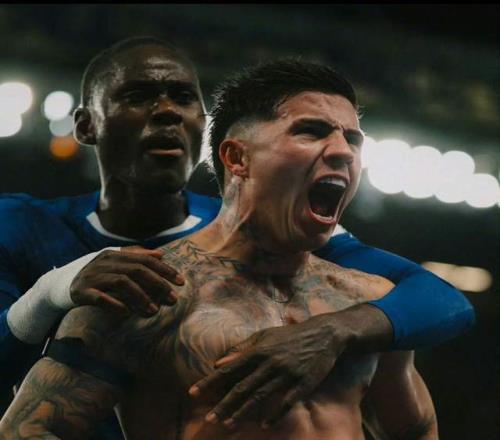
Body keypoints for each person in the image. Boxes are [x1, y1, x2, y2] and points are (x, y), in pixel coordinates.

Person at [0, 37, 472, 425]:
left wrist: (335, 331)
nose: (167, 111)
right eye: (139, 96)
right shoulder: (34, 232)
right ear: (236, 157)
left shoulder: (319, 257)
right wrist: (52, 291)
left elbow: (439, 299)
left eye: (184, 97)